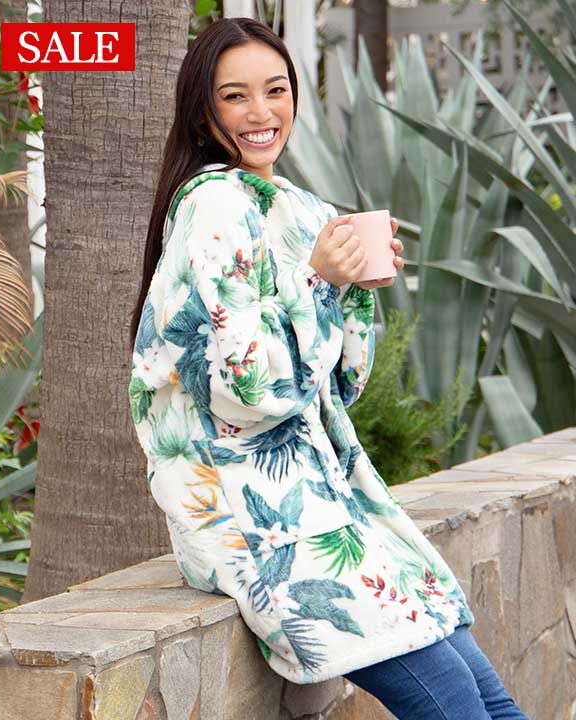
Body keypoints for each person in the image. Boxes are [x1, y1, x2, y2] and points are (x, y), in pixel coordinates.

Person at [127, 16, 529, 720]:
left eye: (276, 90)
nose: (261, 113)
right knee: (454, 699)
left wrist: (352, 290)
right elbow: (250, 391)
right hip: (253, 516)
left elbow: (334, 389)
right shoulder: (213, 205)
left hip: (329, 501)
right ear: (202, 112)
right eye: (235, 96)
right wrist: (316, 283)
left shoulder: (296, 206)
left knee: (484, 691)